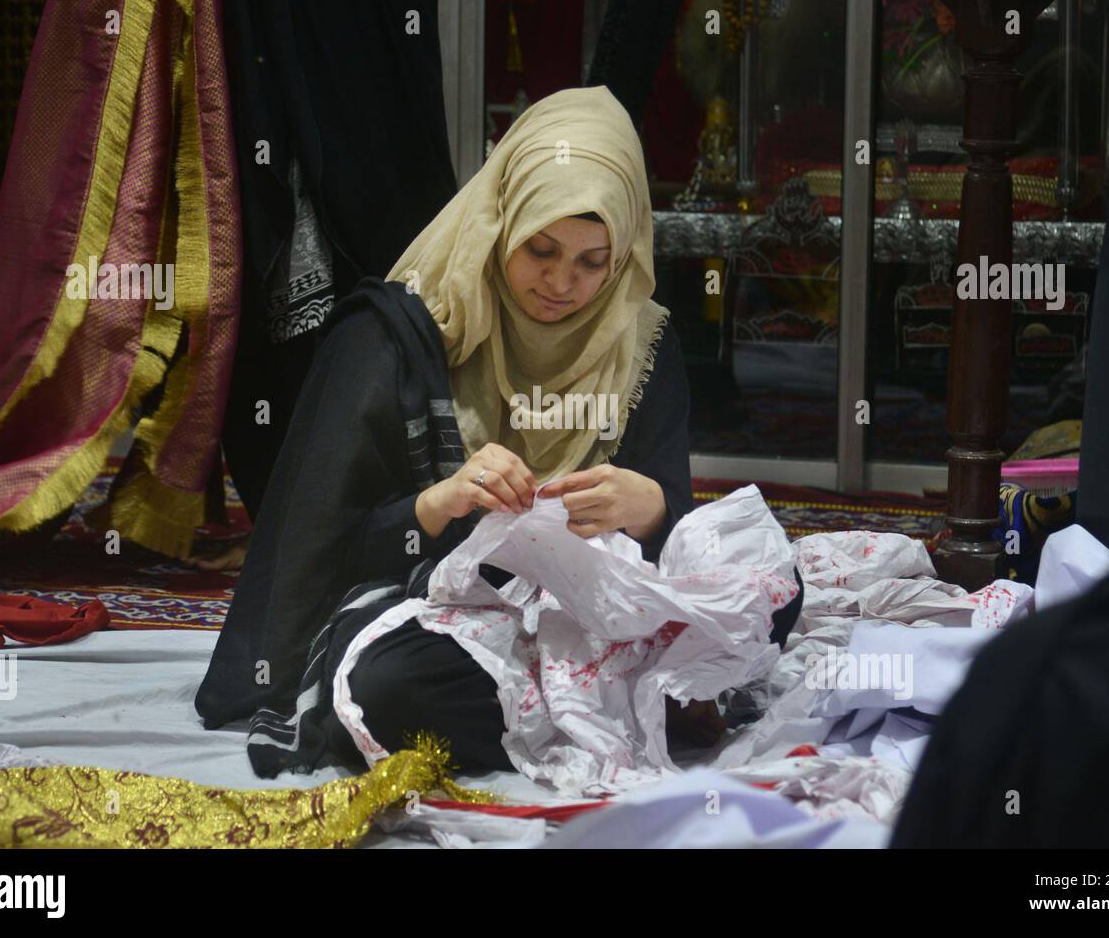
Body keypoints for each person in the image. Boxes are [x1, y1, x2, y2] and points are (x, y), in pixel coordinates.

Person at [194, 86, 746, 774]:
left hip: (595, 619)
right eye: (539, 248)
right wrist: (438, 503)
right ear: (500, 221)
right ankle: (632, 704)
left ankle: (606, 699)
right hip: (441, 612)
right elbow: (323, 556)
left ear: (623, 253)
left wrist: (653, 506)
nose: (560, 283)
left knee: (764, 578)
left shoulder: (640, 343)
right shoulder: (394, 339)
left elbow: (676, 540)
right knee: (385, 691)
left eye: (590, 260)